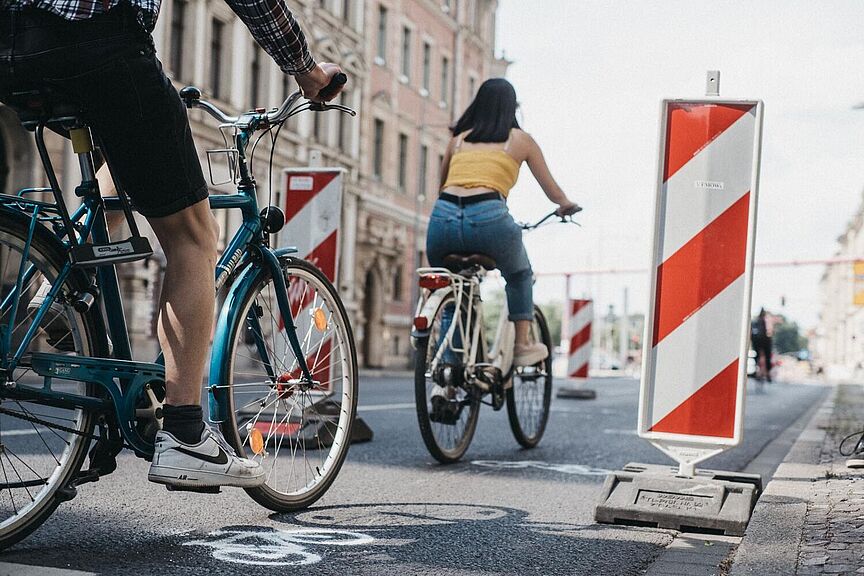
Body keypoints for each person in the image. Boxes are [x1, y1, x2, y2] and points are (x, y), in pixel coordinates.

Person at [0, 0, 344, 488]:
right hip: (97, 42)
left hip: (10, 45)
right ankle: (184, 435)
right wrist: (305, 69)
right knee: (195, 240)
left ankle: (51, 292)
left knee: (120, 166)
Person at [426, 78, 580, 367]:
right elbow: (553, 192)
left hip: (442, 218)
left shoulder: (458, 140)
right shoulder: (520, 140)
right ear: (512, 107)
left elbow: (442, 186)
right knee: (520, 275)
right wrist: (566, 206)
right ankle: (522, 346)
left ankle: (447, 371)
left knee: (451, 285)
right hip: (488, 219)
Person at [751, 308, 773, 382]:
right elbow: (770, 332)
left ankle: (757, 370)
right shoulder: (767, 321)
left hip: (756, 342)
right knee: (767, 356)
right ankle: (768, 374)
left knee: (757, 356)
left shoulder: (755, 321)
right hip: (765, 341)